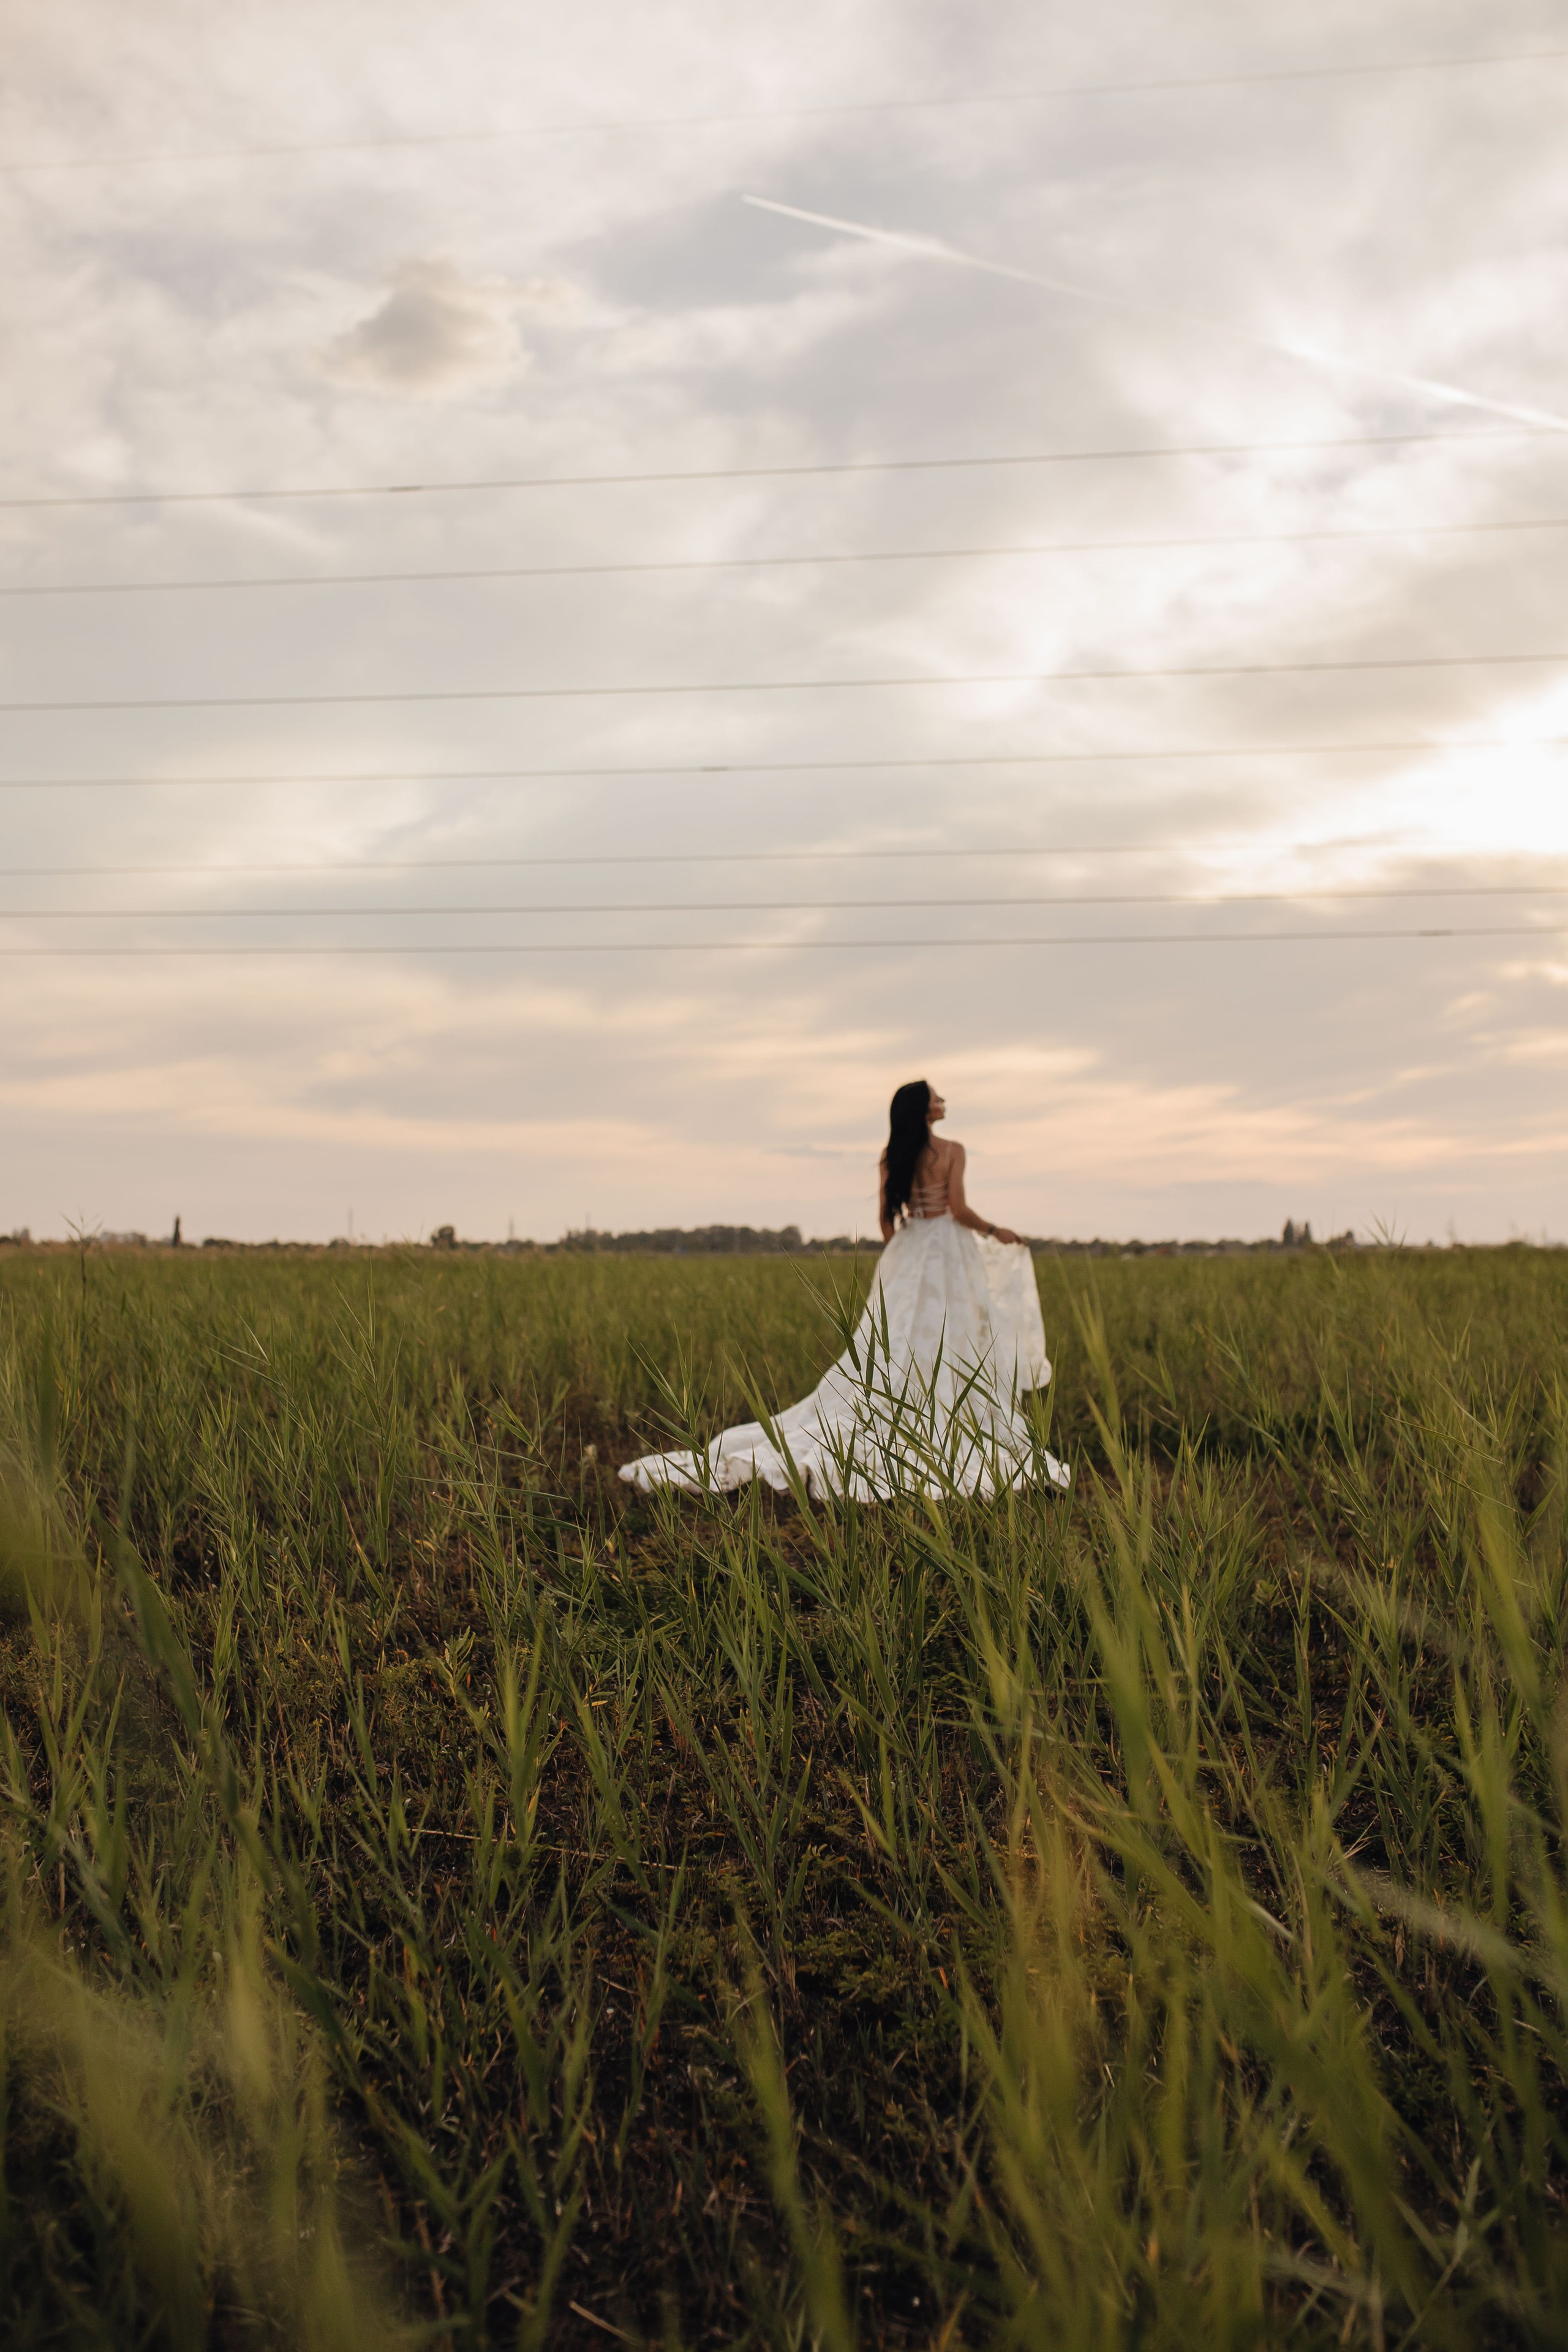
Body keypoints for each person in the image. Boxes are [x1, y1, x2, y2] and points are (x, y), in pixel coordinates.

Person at [619, 1079, 1069, 1501]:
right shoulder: (953, 1150)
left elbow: (884, 1218)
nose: (943, 1101)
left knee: (896, 1338)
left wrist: (904, 1256)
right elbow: (958, 1208)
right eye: (936, 1097)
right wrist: (996, 1230)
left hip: (912, 1247)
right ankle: (945, 1411)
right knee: (953, 1331)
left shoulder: (893, 1153)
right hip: (948, 1247)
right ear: (924, 1109)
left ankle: (902, 1404)